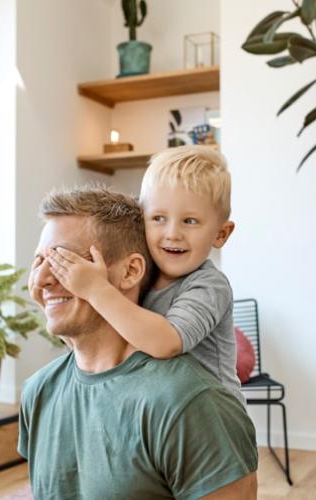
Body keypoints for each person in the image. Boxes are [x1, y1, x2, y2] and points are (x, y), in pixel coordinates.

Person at [20, 185, 258, 499]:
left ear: (131, 271)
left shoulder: (190, 404)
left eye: (64, 261)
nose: (42, 279)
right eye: (39, 262)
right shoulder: (38, 392)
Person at [47, 146, 244, 403]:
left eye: (190, 221)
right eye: (158, 218)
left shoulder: (209, 285)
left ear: (221, 234)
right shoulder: (142, 275)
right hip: (161, 408)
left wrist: (96, 289)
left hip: (212, 420)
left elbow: (166, 342)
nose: (172, 233)